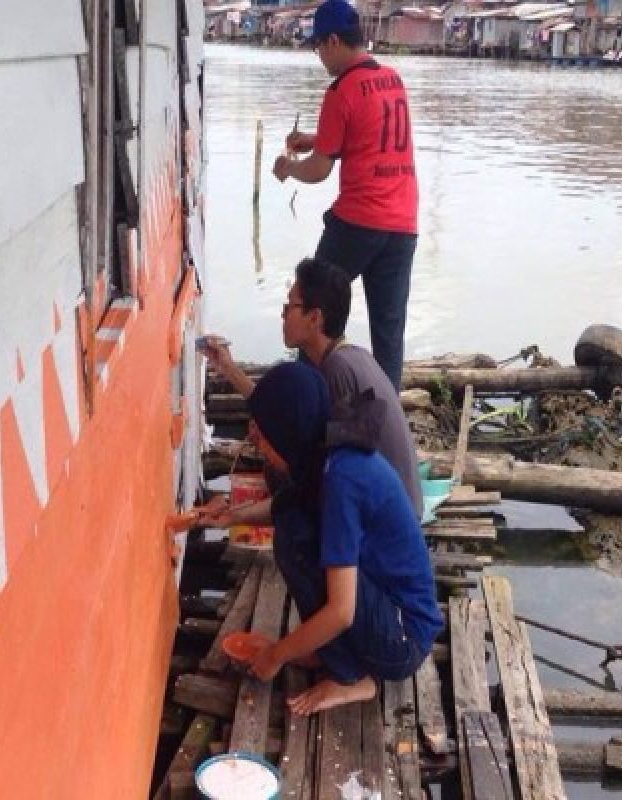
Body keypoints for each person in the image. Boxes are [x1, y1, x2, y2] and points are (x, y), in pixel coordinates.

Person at [202, 362, 440, 715]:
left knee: (295, 539)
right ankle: (330, 653)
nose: (256, 440)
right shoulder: (328, 449)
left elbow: (342, 612)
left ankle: (350, 677)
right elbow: (291, 502)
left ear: (288, 432)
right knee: (292, 518)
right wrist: (232, 516)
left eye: (264, 434)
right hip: (389, 607)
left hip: (402, 640)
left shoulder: (343, 478)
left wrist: (276, 655)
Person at [202, 258, 423, 518]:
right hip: (400, 505)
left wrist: (242, 514)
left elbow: (332, 470)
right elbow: (276, 410)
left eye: (290, 306)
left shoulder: (337, 370)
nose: (283, 314)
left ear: (314, 318)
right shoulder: (352, 356)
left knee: (283, 468)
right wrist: (228, 368)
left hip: (387, 517)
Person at [272, 0, 419, 390]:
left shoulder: (341, 90)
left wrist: (288, 167)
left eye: (319, 46)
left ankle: (305, 397)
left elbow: (319, 171)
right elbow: (367, 136)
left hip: (359, 220)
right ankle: (388, 420)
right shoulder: (392, 79)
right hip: (403, 223)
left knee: (309, 307)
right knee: (389, 330)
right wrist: (313, 140)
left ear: (334, 41)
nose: (319, 55)